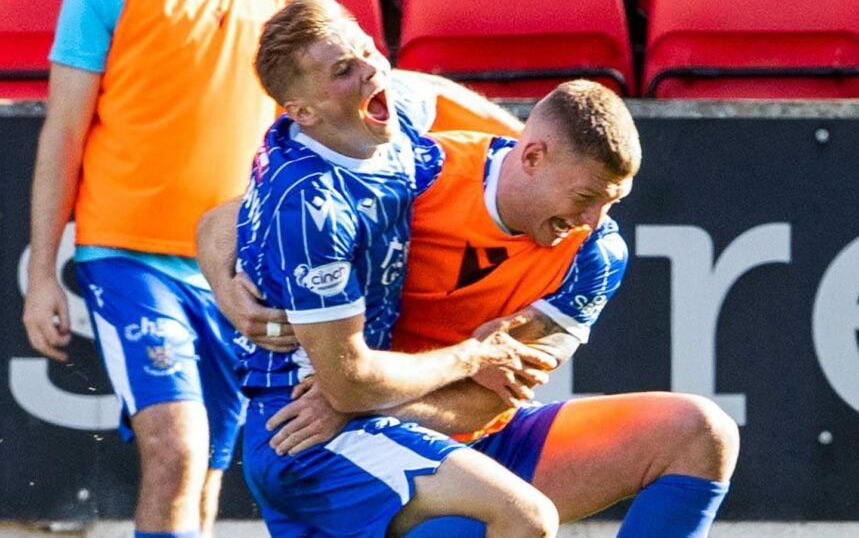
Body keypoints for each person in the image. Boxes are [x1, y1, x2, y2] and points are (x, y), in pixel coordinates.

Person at [201, 79, 739, 536]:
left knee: (701, 431)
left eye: (612, 202)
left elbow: (484, 402)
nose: (595, 220)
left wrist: (357, 398)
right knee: (496, 522)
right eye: (585, 198)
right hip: (329, 436)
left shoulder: (596, 257)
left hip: (422, 429)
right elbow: (236, 215)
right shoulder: (418, 174)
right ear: (531, 157)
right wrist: (228, 290)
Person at [218, 0, 561, 538]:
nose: (371, 70)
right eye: (343, 70)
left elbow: (430, 90)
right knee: (525, 517)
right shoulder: (313, 207)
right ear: (302, 113)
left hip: (352, 415)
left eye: (368, 50)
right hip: (305, 432)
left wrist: (541, 158)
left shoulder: (374, 112)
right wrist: (475, 356)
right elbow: (349, 384)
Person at [21, 0, 328, 537]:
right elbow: (63, 130)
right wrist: (42, 274)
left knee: (207, 467)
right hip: (126, 254)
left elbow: (334, 106)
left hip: (240, 267)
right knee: (177, 449)